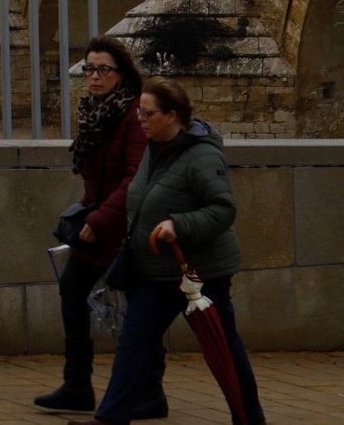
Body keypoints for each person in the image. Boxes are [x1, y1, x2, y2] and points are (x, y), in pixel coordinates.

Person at [72, 79, 263, 425]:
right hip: (154, 272)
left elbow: (223, 209)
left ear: (172, 115)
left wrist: (178, 223)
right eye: (139, 113)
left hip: (199, 272)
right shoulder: (153, 146)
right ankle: (111, 419)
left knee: (223, 347)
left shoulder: (202, 155)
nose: (140, 120)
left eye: (148, 113)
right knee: (134, 344)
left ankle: (249, 418)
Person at [35, 37, 156, 415]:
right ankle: (77, 385)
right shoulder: (94, 111)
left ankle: (151, 393)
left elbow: (136, 176)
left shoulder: (134, 114)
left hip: (125, 226)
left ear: (121, 73)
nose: (94, 76)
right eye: (89, 69)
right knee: (72, 291)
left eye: (103, 69)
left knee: (141, 308)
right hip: (99, 220)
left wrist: (101, 218)